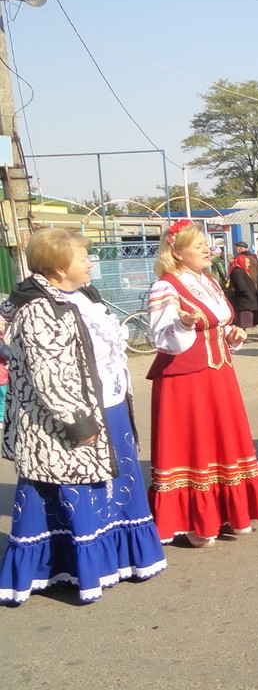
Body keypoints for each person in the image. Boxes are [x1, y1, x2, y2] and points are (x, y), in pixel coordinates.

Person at [0, 228, 166, 604]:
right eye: (81, 258)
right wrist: (77, 422)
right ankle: (70, 568)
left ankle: (120, 560)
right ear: (59, 268)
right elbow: (49, 376)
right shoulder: (39, 309)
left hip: (109, 406)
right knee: (71, 491)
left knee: (114, 485)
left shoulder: (83, 297)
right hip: (66, 422)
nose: (90, 262)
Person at [145, 219, 258, 546]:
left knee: (224, 441)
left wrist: (234, 335)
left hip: (219, 374)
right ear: (176, 252)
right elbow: (161, 338)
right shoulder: (166, 286)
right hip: (185, 380)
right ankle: (195, 521)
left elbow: (218, 327)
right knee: (195, 446)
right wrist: (183, 324)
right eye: (197, 244)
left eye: (206, 243)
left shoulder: (209, 281)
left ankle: (228, 513)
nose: (206, 248)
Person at [228, 240, 258, 330]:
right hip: (249, 295)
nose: (248, 263)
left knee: (246, 317)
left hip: (247, 295)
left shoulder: (241, 264)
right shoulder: (252, 258)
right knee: (246, 317)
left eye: (237, 248)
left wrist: (249, 294)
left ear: (240, 249)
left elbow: (241, 285)